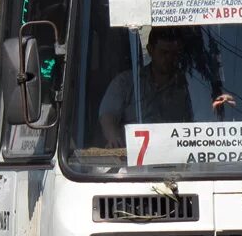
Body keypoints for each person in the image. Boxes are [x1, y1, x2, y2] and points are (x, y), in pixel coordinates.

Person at [99, 27, 234, 147]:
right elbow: (108, 115)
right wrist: (114, 139)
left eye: (175, 54)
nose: (169, 58)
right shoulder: (126, 82)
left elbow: (204, 120)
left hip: (180, 158)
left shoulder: (191, 87)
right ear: (150, 50)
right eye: (164, 53)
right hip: (133, 162)